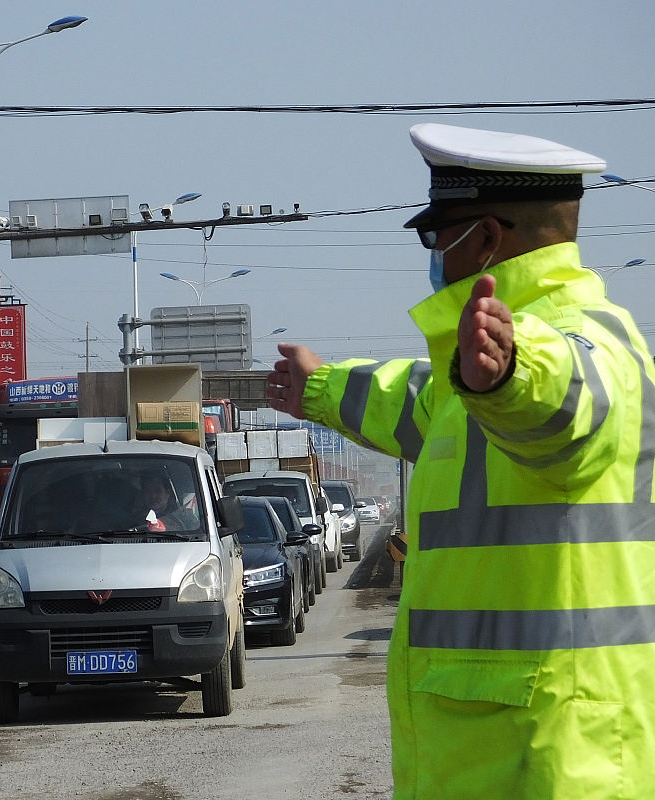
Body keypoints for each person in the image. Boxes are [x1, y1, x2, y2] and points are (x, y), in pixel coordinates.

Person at [266, 123, 655, 799]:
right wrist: (323, 389)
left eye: (434, 236)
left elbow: (566, 402)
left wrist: (509, 377)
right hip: (496, 744)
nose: (433, 257)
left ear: (484, 238)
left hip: (559, 756)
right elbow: (412, 397)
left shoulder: (589, 344)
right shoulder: (464, 381)